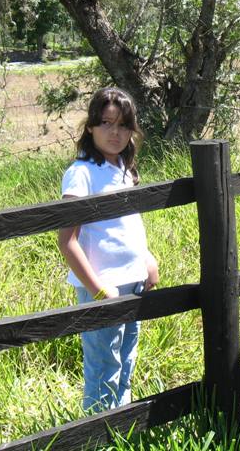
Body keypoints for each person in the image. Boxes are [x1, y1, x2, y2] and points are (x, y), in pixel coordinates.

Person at [57, 86, 159, 413]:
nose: (115, 133)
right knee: (103, 367)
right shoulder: (81, 174)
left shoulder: (124, 169)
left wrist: (146, 259)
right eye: (106, 123)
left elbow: (127, 224)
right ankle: (95, 435)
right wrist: (97, 289)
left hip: (133, 282)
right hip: (103, 287)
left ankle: (122, 429)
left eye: (123, 125)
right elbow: (67, 241)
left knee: (126, 361)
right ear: (90, 127)